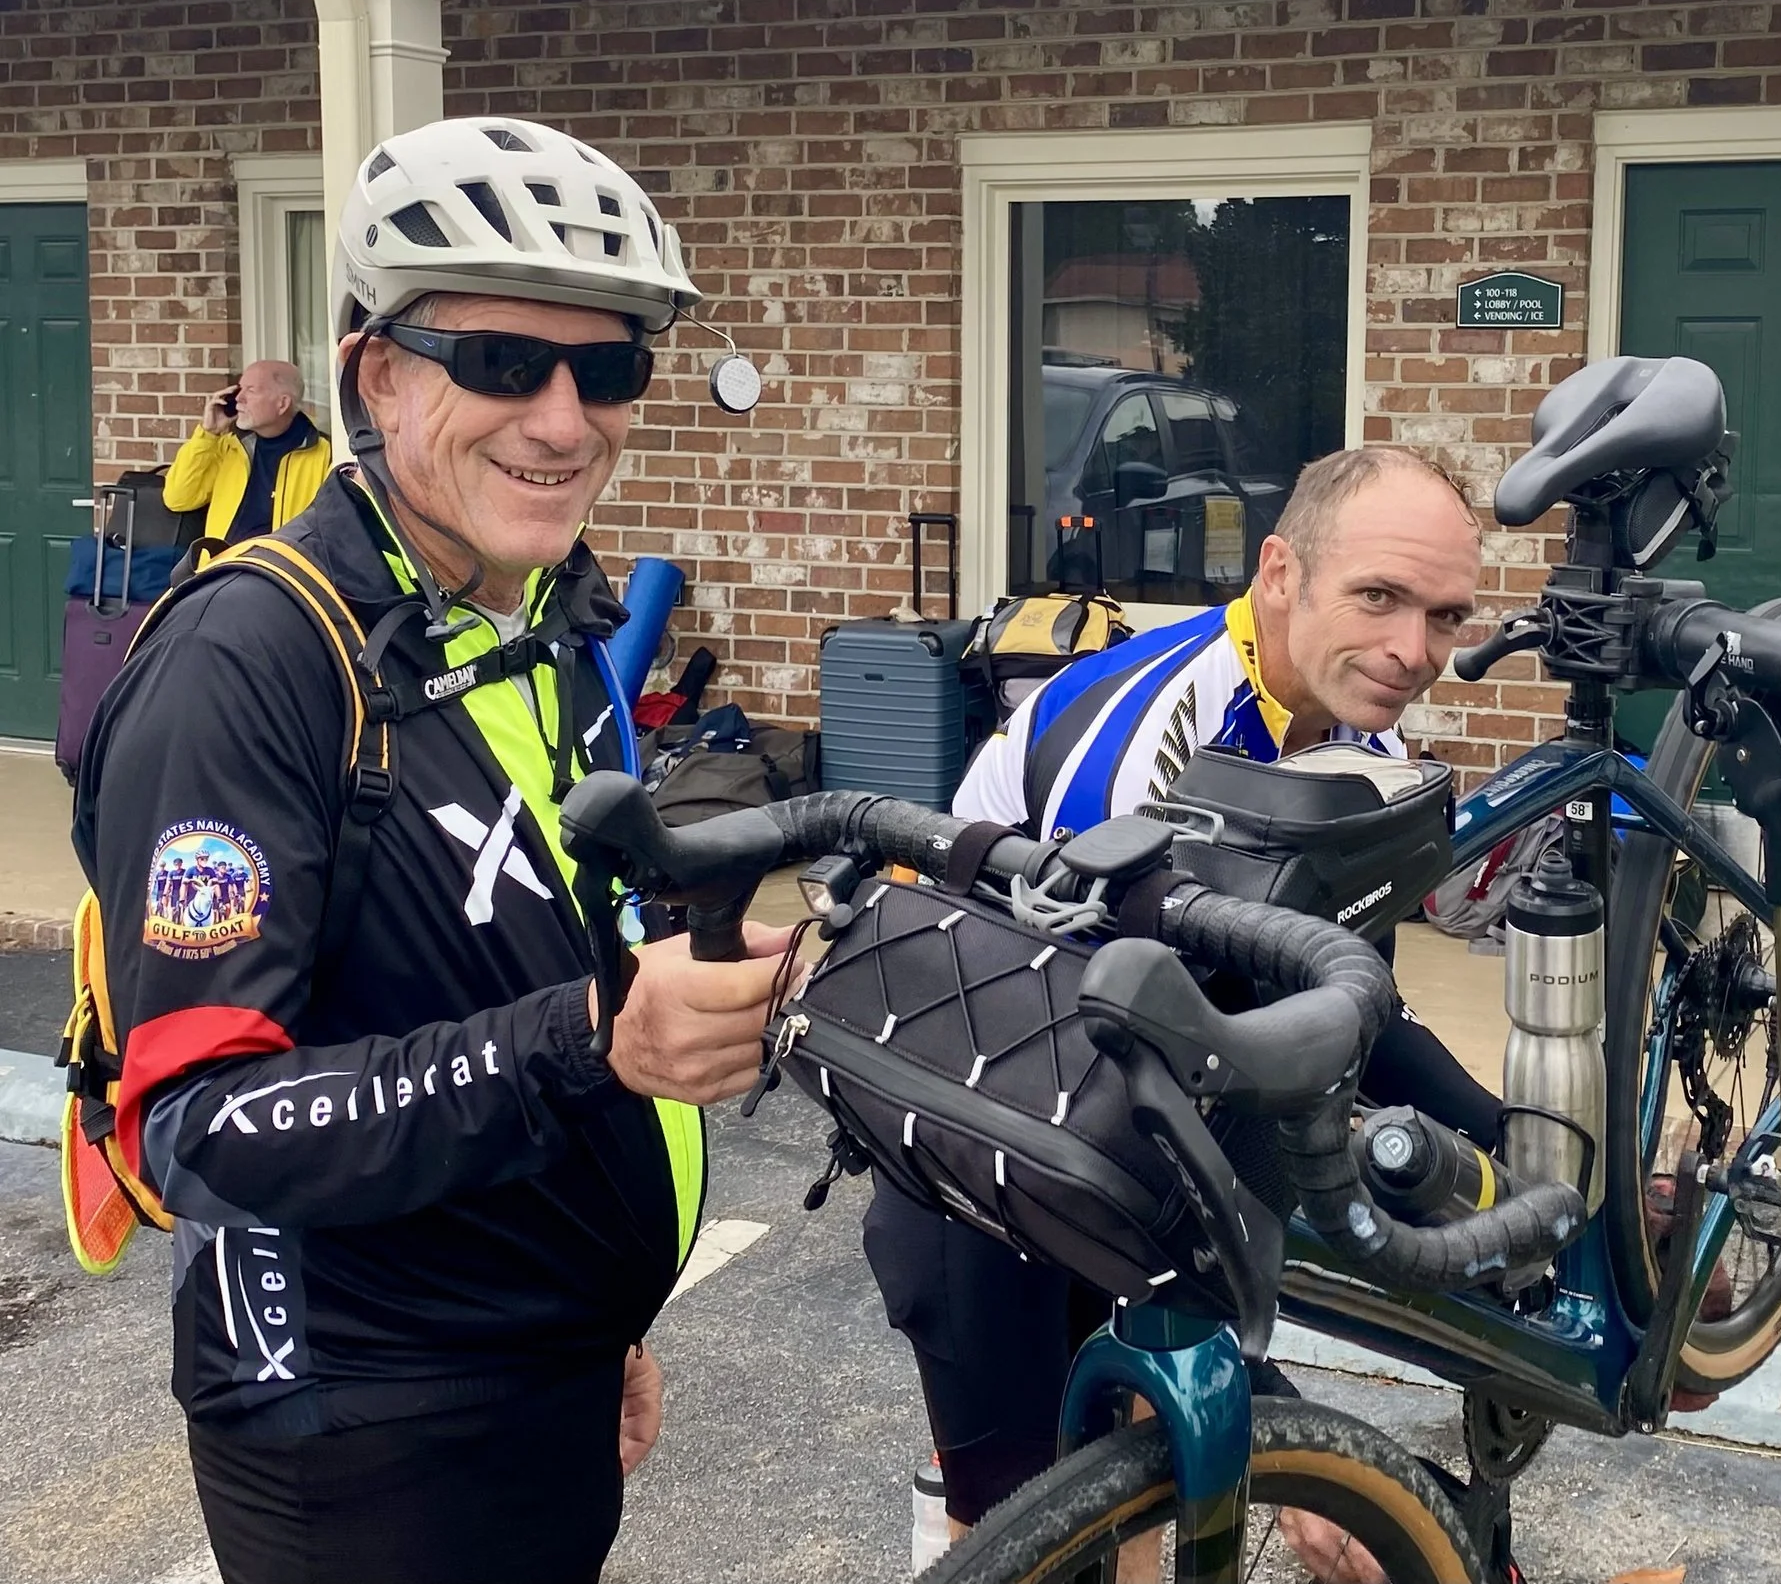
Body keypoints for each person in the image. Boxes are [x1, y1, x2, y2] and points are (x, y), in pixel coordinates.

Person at [81, 116, 790, 1584]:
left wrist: (600, 1312)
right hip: (362, 1429)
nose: (564, 420)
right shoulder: (251, 659)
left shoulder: (541, 618)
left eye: (609, 369)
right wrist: (594, 1041)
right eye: (502, 361)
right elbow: (199, 1127)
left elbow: (502, 954)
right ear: (379, 375)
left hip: (535, 1368)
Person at [873, 448, 1498, 1569]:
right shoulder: (1156, 736)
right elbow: (1124, 1097)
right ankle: (960, 1504)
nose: (1415, 651)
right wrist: (1276, 1406)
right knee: (1029, 1535)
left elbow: (1338, 1007)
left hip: (1103, 1113)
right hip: (985, 1143)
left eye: (1445, 615)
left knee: (1141, 1500)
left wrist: (1513, 1146)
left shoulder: (1357, 726)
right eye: (1379, 596)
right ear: (1279, 573)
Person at [163, 357, 329, 541]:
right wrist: (208, 434)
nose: (238, 398)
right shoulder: (230, 446)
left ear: (282, 404)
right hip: (221, 558)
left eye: (251, 390)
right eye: (240, 388)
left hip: (279, 559)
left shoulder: (323, 455)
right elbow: (178, 499)